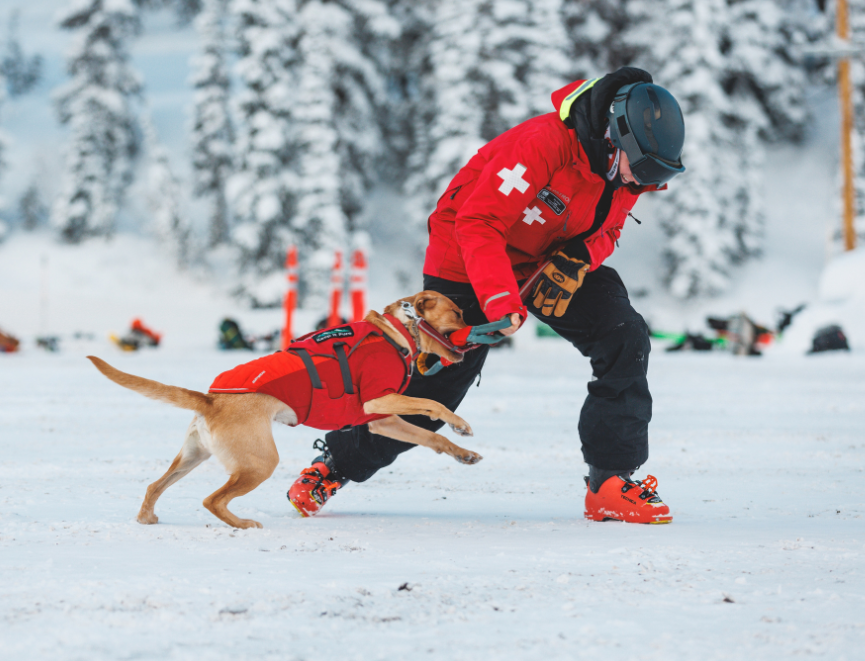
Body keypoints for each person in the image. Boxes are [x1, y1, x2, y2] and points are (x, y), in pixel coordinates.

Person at [287, 67, 686, 524]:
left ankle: (610, 482)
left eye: (656, 177)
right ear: (616, 137)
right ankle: (334, 465)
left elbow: (609, 228)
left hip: (545, 259)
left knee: (624, 335)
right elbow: (477, 223)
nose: (644, 186)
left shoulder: (625, 174)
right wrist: (501, 302)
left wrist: (580, 258)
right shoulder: (542, 144)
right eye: (645, 172)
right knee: (436, 390)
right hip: (465, 255)